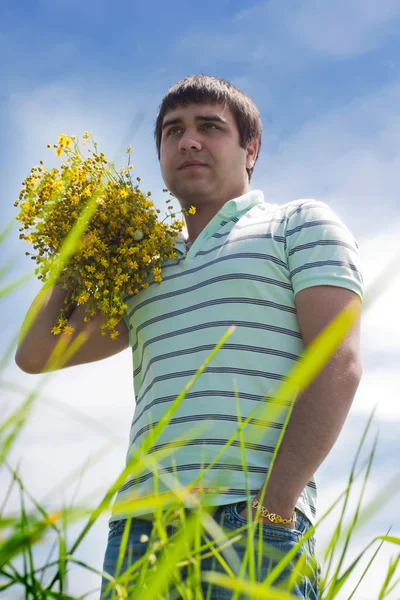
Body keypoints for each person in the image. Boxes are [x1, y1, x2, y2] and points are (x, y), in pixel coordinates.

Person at [15, 75, 363, 599]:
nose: (189, 141)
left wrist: (274, 502)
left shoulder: (298, 223)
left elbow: (337, 363)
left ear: (251, 149)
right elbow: (35, 353)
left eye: (210, 127)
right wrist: (79, 245)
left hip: (251, 514)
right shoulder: (144, 268)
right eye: (172, 131)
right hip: (139, 528)